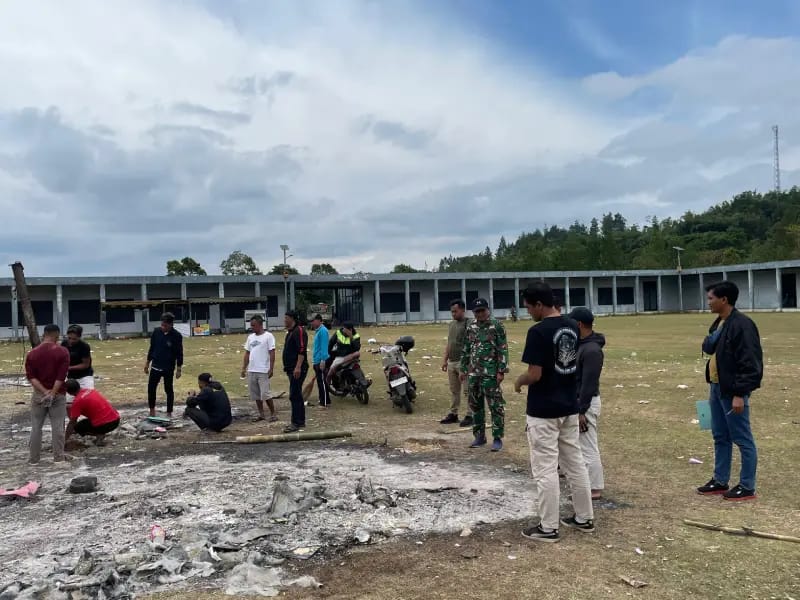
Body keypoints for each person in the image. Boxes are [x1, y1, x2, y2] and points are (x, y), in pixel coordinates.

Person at [515, 282, 594, 542]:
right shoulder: (571, 325)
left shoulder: (538, 331)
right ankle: (584, 517)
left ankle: (548, 527)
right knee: (574, 462)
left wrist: (519, 381)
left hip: (544, 410)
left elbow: (535, 374)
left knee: (545, 468)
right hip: (568, 405)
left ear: (539, 304)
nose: (528, 312)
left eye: (528, 307)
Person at [697, 281, 763, 501]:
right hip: (717, 387)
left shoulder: (742, 325)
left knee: (742, 438)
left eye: (711, 298)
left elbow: (751, 363)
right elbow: (708, 347)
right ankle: (720, 480)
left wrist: (740, 393)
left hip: (732, 390)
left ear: (724, 300)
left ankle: (747, 486)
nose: (708, 303)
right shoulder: (720, 323)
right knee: (720, 436)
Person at [460, 298, 509, 452]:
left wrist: (501, 370)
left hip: (491, 373)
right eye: (477, 311)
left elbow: (503, 349)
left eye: (483, 310)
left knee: (495, 406)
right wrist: (463, 368)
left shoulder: (497, 325)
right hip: (474, 372)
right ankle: (479, 436)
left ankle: (497, 437)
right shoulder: (471, 326)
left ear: (488, 310)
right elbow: (467, 347)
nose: (480, 314)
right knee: (475, 405)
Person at [569, 307, 606, 500]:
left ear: (579, 325)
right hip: (580, 402)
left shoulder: (591, 350)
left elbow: (589, 383)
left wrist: (581, 410)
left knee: (588, 445)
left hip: (587, 403)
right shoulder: (582, 345)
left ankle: (595, 488)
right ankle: (587, 486)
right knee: (581, 446)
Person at [25, 324, 70, 464]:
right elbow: (61, 376)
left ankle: (33, 459)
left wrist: (44, 391)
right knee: (58, 427)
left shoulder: (32, 353)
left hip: (39, 394)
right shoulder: (62, 352)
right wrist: (52, 392)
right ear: (56, 335)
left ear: (43, 334)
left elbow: (31, 377)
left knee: (36, 427)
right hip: (58, 394)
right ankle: (58, 458)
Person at [439, 299, 473, 427]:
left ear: (463, 310)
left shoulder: (469, 324)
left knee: (468, 390)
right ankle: (453, 414)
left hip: (464, 362)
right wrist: (444, 360)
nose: (453, 314)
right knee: (454, 390)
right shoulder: (451, 325)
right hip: (452, 362)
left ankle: (471, 415)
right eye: (452, 312)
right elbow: (450, 343)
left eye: (455, 311)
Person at [144, 312, 183, 418]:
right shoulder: (156, 332)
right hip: (156, 365)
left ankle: (169, 412)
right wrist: (147, 363)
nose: (163, 327)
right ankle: (152, 410)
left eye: (165, 325)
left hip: (168, 367)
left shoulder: (177, 336)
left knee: (168, 389)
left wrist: (179, 368)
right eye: (162, 324)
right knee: (151, 388)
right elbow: (152, 348)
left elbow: (179, 353)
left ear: (171, 325)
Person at [241, 315, 278, 422]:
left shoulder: (268, 336)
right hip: (252, 369)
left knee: (265, 394)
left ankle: (273, 413)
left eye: (254, 325)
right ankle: (261, 414)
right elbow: (247, 353)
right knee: (256, 394)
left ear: (260, 325)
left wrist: (271, 368)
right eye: (251, 325)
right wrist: (244, 368)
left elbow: (272, 352)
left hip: (263, 370)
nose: (252, 327)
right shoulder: (250, 337)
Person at [64, 379, 120, 446]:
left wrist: (64, 439)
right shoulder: (90, 391)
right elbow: (84, 402)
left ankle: (99, 434)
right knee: (86, 421)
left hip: (107, 424)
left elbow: (72, 423)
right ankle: (100, 432)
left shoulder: (77, 402)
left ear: (69, 393)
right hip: (116, 419)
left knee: (78, 427)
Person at [282, 310, 309, 433]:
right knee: (296, 394)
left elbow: (302, 350)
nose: (284, 320)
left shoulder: (299, 331)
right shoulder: (290, 332)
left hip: (297, 369)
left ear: (292, 318)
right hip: (291, 368)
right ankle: (299, 421)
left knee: (295, 395)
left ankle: (296, 423)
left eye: (286, 318)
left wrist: (298, 367)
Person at [325, 321, 363, 388]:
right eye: (343, 328)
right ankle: (326, 386)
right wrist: (327, 353)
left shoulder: (356, 336)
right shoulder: (338, 333)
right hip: (340, 357)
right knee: (330, 372)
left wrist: (351, 337)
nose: (343, 330)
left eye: (345, 329)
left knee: (357, 353)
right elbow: (330, 343)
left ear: (350, 329)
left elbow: (357, 348)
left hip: (351, 357)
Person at [62, 324, 94, 395]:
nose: (71, 341)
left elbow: (85, 365)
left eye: (74, 339)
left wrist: (69, 368)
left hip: (84, 376)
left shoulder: (84, 346)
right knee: (69, 400)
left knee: (87, 396)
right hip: (70, 377)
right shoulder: (64, 343)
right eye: (69, 338)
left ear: (79, 337)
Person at [309, 314, 331, 407]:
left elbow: (324, 347)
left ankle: (324, 402)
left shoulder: (323, 331)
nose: (312, 323)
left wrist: (323, 360)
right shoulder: (318, 331)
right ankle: (325, 399)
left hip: (321, 361)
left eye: (313, 321)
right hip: (316, 360)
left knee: (322, 382)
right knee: (320, 381)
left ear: (319, 320)